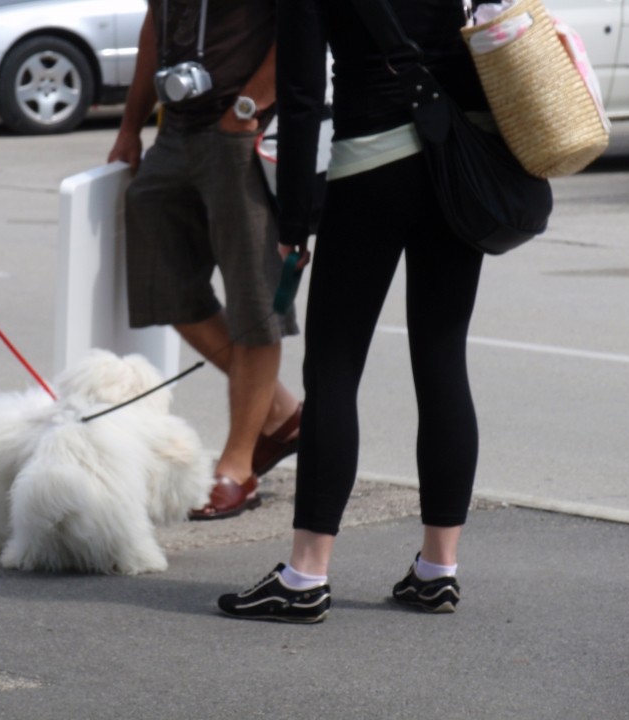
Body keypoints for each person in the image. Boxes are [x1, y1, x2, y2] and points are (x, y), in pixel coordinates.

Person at [218, 0, 493, 621]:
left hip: (371, 164)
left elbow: (301, 89)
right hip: (458, 159)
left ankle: (305, 575)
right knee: (443, 357)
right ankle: (437, 569)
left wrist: (294, 220)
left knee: (335, 370)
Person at [107, 0, 302, 520]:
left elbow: (305, 27)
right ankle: (282, 413)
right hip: (178, 128)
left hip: (246, 128)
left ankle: (237, 467)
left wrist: (247, 108)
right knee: (161, 284)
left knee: (256, 300)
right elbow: (156, 25)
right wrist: (131, 125)